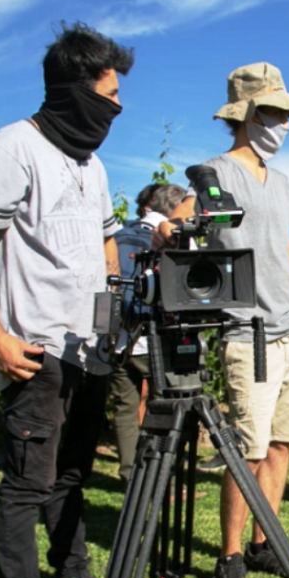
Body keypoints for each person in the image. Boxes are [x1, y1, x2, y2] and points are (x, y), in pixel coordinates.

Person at [0, 23, 133, 578]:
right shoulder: (11, 149)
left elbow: (108, 244)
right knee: (26, 486)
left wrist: (112, 314)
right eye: (110, 97)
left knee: (69, 477)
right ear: (75, 90)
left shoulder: (92, 164)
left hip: (87, 348)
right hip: (35, 349)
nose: (117, 110)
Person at [155, 62, 289, 578]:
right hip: (248, 336)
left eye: (288, 114)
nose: (286, 125)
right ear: (248, 115)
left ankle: (261, 542)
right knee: (244, 452)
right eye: (276, 112)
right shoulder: (215, 174)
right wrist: (168, 234)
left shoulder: (283, 181)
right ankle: (229, 562)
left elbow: (287, 252)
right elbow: (174, 223)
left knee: (279, 445)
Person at [109, 183, 188, 482]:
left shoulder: (117, 237)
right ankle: (164, 480)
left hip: (120, 340)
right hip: (158, 340)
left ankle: (131, 476)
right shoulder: (174, 239)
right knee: (168, 410)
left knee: (126, 410)